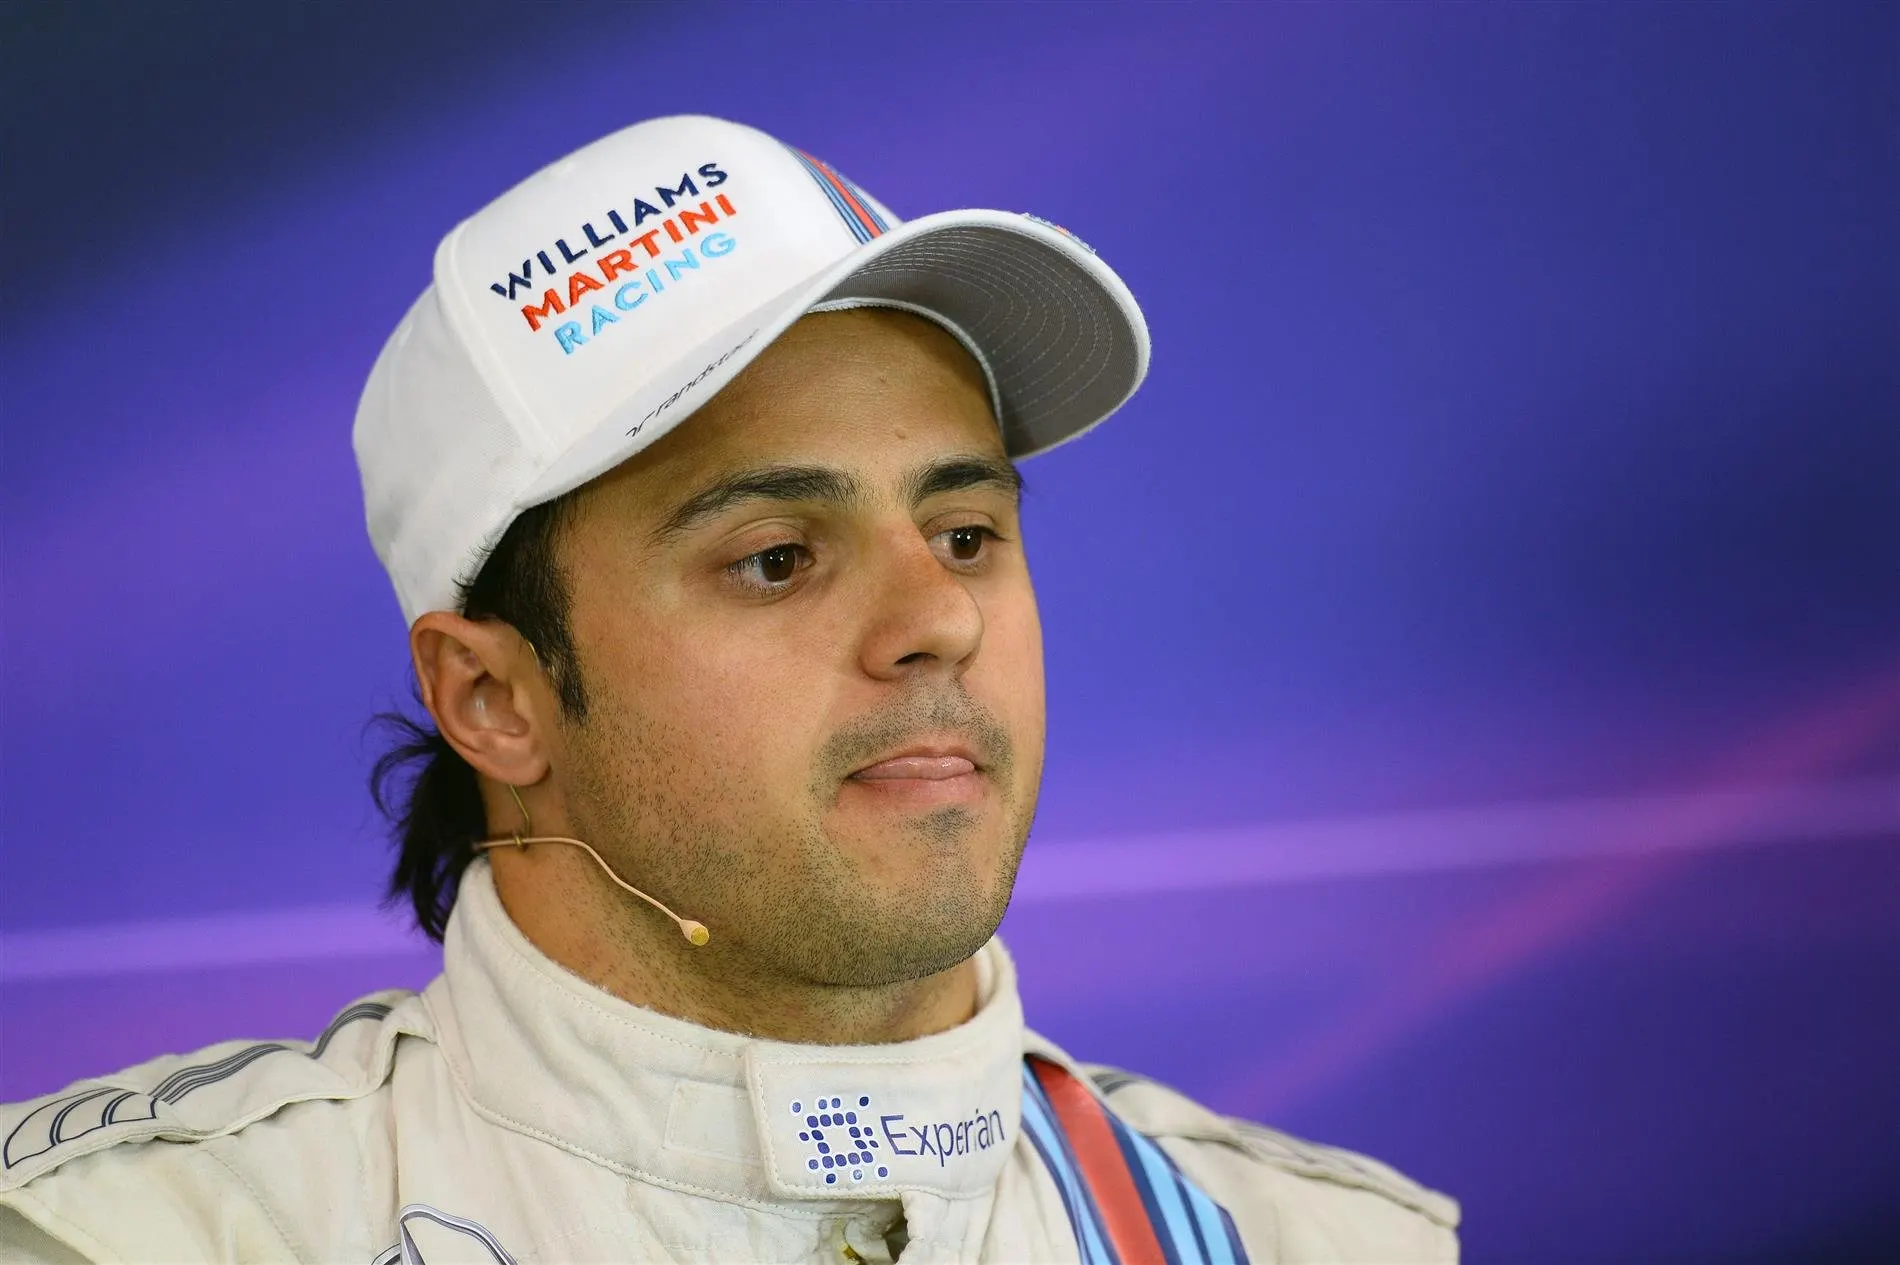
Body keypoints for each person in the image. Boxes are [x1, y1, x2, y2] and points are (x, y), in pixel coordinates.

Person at [0, 115, 1458, 1263]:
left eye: (966, 534)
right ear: (493, 698)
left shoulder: (1326, 1243)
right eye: (776, 558)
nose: (939, 618)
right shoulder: (124, 1237)